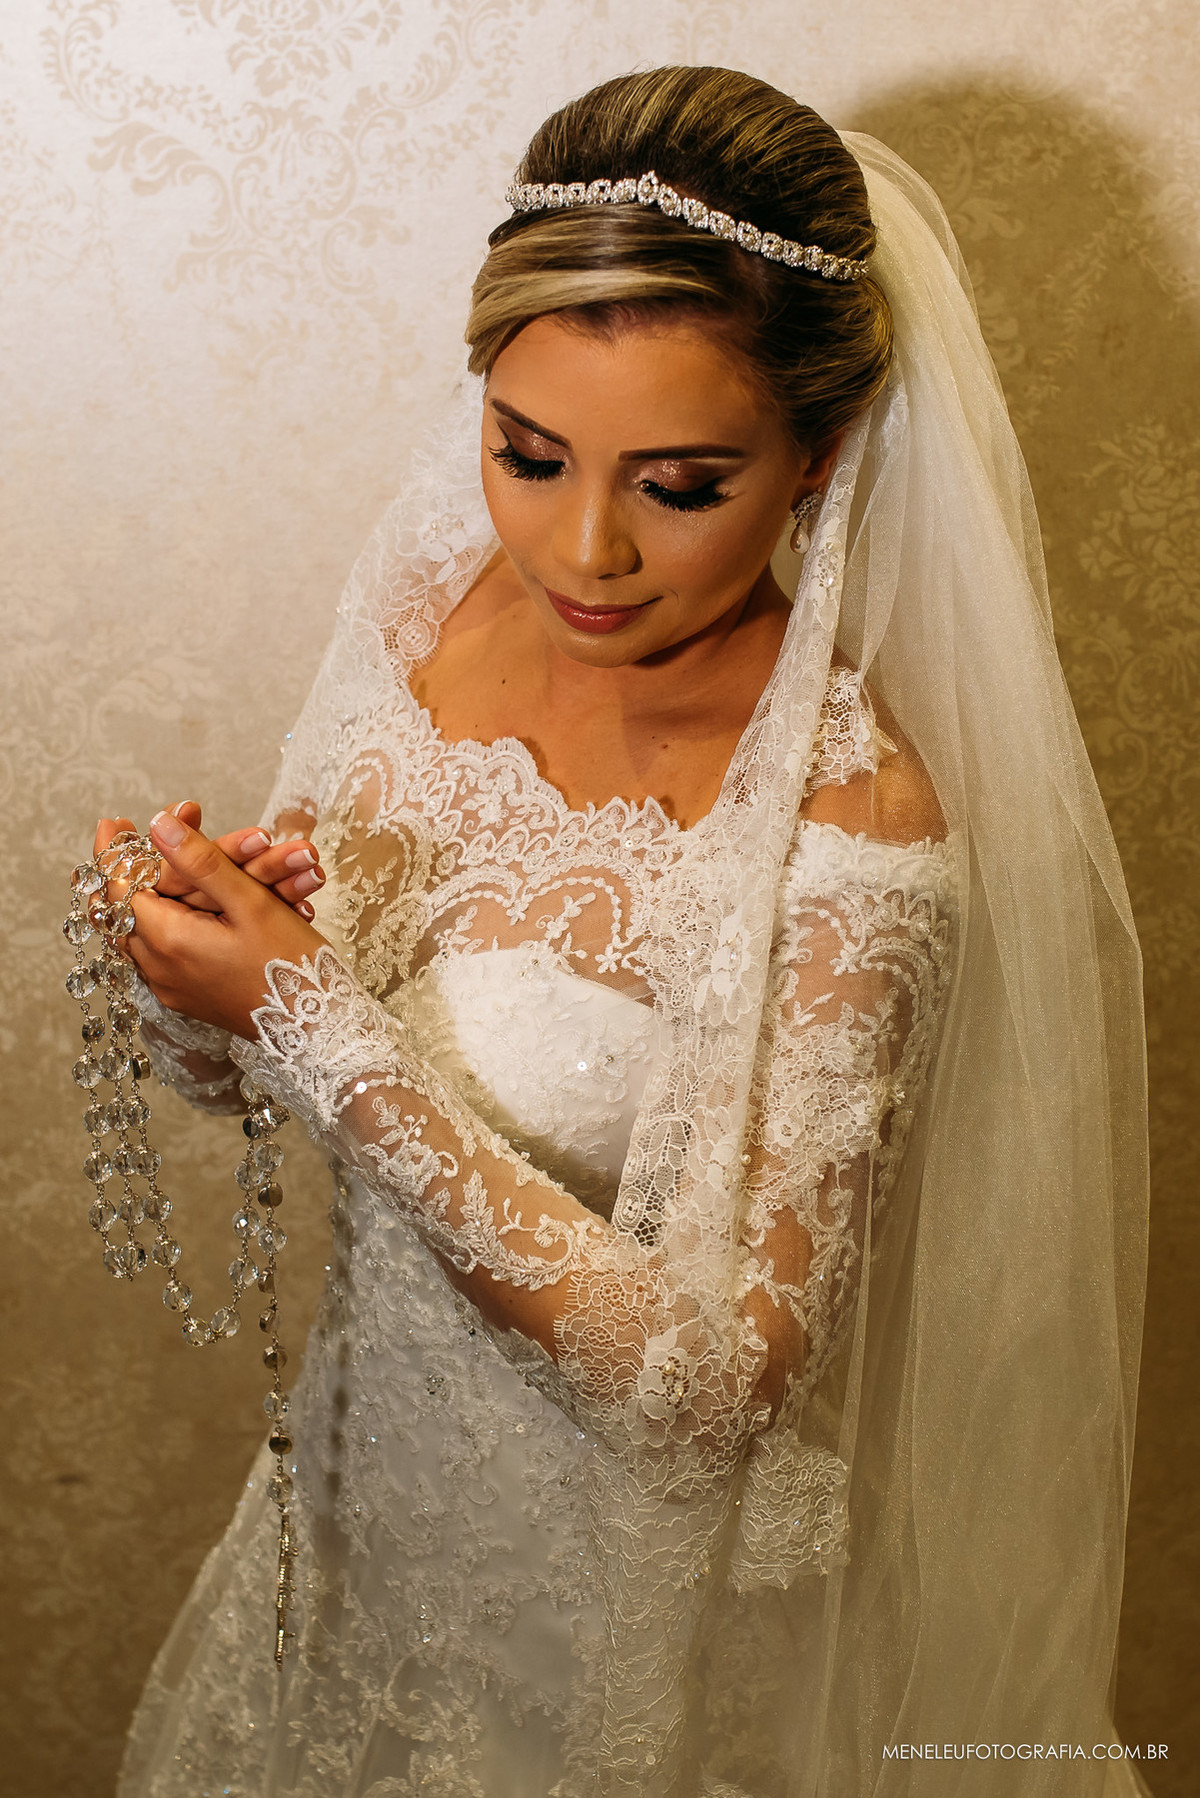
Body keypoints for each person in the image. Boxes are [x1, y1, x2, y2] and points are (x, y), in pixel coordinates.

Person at [102, 65, 1148, 1798]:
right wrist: (191, 958)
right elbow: (242, 1063)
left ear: (822, 452)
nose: (581, 550)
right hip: (356, 1529)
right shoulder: (436, 606)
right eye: (528, 454)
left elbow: (709, 1390)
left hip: (617, 1651)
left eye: (679, 482)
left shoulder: (852, 825)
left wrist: (306, 1021)